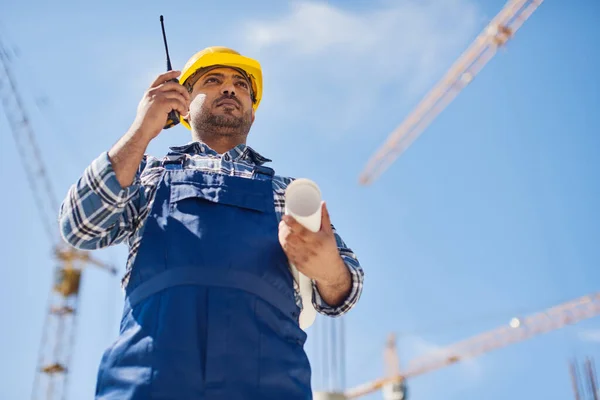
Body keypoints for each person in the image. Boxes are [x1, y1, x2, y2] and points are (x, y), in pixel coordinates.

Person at [58, 46, 364, 399]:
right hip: (149, 379)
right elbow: (80, 226)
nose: (230, 89)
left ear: (252, 110)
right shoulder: (145, 174)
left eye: (241, 85)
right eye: (213, 80)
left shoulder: (289, 193)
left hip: (268, 384)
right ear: (183, 104)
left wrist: (328, 269)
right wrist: (142, 129)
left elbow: (346, 291)